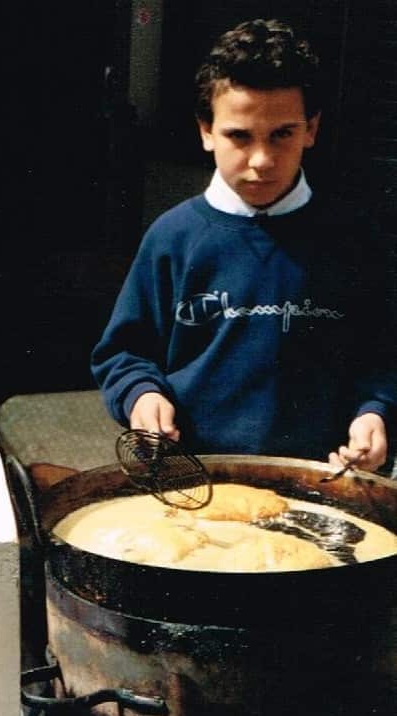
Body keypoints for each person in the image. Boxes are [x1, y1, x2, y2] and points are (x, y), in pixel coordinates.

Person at [92, 18, 395, 473]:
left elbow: (385, 353)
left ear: (311, 129)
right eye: (239, 135)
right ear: (206, 131)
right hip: (193, 481)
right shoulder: (173, 237)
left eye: (282, 134)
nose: (261, 160)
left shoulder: (355, 239)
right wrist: (143, 395)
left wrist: (376, 411)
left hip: (323, 483)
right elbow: (124, 352)